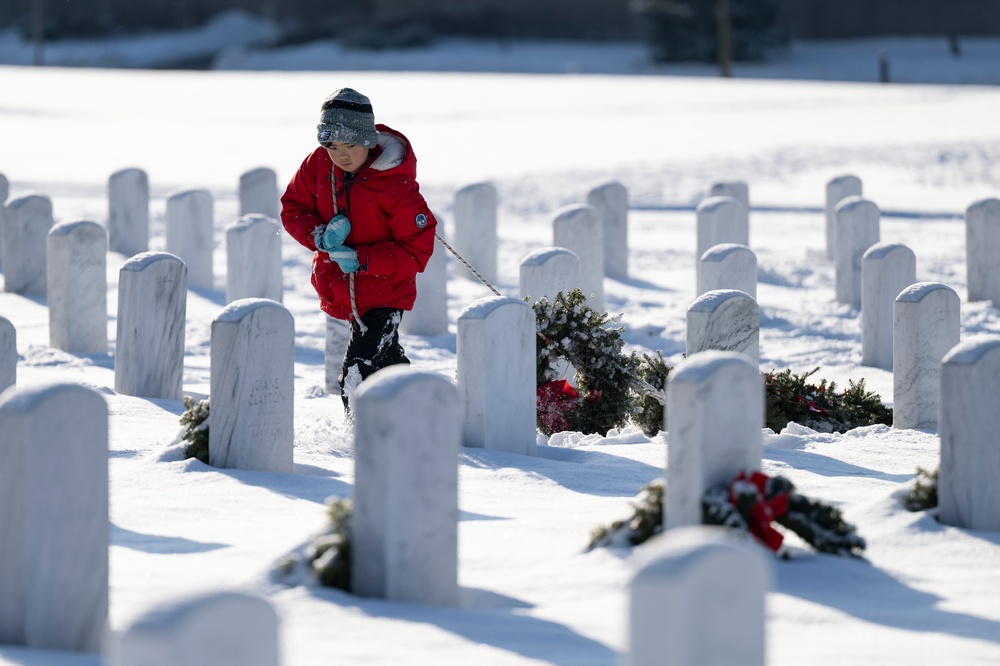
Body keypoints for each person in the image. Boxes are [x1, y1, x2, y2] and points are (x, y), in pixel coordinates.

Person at [280, 87, 437, 416]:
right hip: (342, 288)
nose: (342, 155)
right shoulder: (318, 164)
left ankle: (361, 440)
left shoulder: (395, 184)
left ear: (367, 139)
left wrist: (362, 259)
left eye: (350, 145)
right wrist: (319, 236)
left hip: (386, 293)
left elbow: (417, 249)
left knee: (358, 370)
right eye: (333, 146)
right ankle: (420, 416)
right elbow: (293, 206)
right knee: (387, 363)